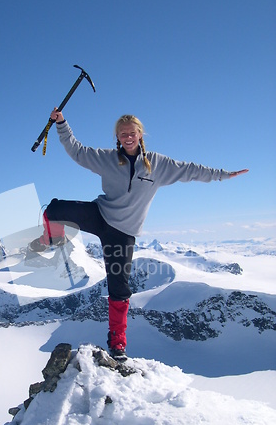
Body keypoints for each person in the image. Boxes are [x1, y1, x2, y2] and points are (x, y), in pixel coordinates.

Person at [30, 107, 249, 361]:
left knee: (119, 288)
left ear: (140, 134)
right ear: (118, 137)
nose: (128, 137)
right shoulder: (107, 158)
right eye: (123, 134)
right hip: (101, 214)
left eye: (132, 133)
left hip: (122, 234)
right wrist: (62, 123)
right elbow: (78, 151)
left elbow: (190, 170)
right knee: (55, 208)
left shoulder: (158, 165)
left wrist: (222, 175)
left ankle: (118, 342)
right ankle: (52, 238)